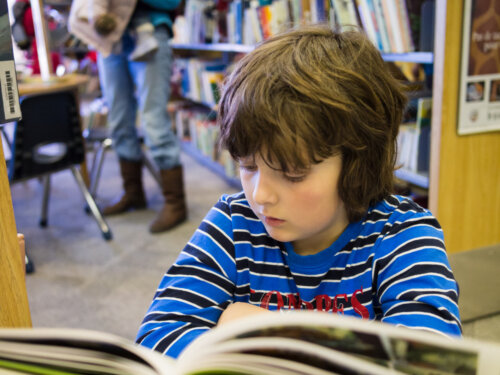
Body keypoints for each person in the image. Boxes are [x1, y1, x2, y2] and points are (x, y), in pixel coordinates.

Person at [136, 25, 462, 358]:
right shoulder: (233, 223)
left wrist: (275, 334)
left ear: (357, 164)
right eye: (248, 167)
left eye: (293, 174)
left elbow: (432, 359)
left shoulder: (404, 235)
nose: (260, 195)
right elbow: (156, 338)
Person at [69, 0, 187, 233]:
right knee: (119, 119)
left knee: (154, 120)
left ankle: (176, 202)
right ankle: (133, 193)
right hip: (109, 39)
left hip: (151, 32)